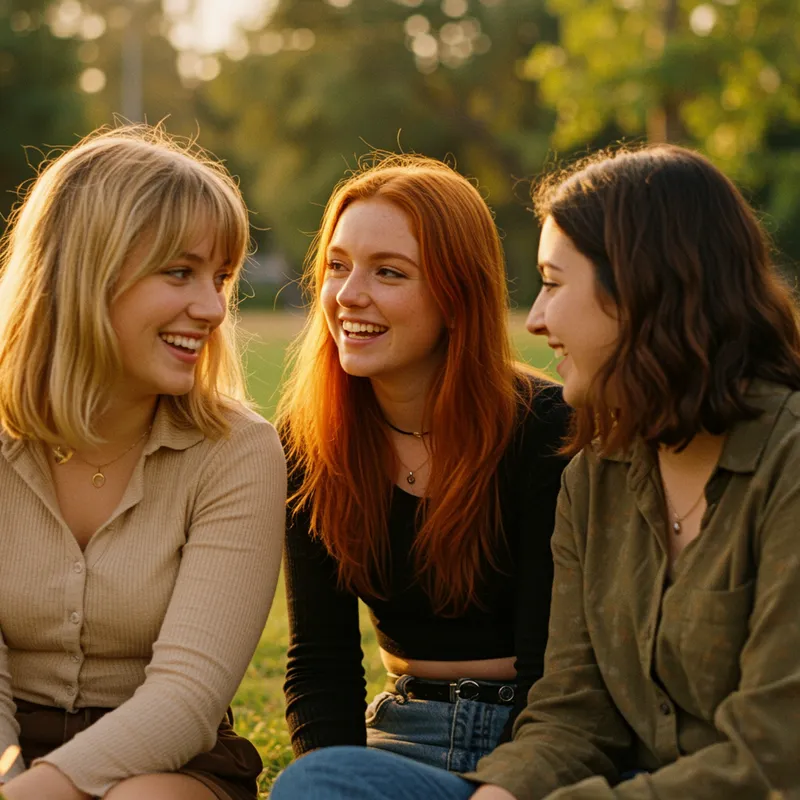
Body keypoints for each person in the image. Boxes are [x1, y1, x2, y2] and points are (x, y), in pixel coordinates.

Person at [270, 143, 800, 799]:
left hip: (621, 775)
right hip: (497, 755)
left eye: (552, 284)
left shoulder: (568, 438)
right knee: (321, 783)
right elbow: (576, 707)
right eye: (337, 266)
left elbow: (770, 754)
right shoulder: (603, 471)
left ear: (642, 290)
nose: (537, 318)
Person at [0, 126, 287, 800]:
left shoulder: (237, 451)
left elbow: (187, 697)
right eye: (179, 272)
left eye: (220, 278)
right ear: (85, 272)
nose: (213, 309)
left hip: (165, 759)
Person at [276, 154, 570, 773]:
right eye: (337, 266)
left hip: (539, 731)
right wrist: (332, 779)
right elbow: (320, 662)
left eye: (389, 272)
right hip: (403, 729)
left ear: (456, 293)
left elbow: (555, 665)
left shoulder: (544, 427)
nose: (350, 295)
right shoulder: (310, 440)